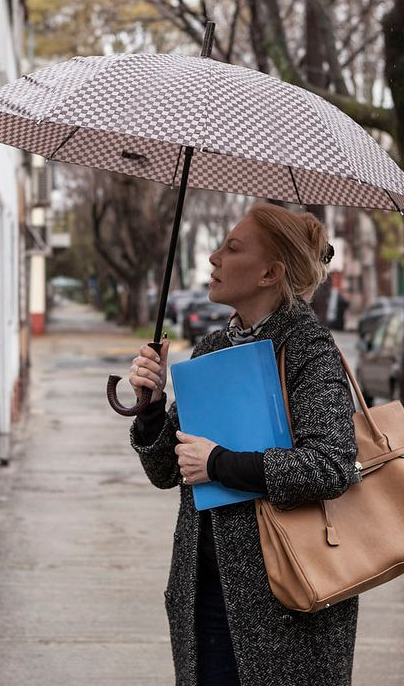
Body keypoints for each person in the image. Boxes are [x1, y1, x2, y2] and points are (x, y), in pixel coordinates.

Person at [127, 203, 360, 686]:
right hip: (204, 592)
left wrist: (220, 463)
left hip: (287, 601)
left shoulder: (308, 349)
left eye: (232, 248)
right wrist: (151, 406)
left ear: (270, 273)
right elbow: (168, 472)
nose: (214, 257)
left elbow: (332, 466)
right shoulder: (212, 348)